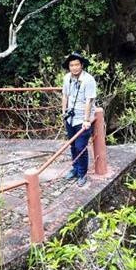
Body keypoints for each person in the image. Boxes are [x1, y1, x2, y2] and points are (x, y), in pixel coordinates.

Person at [61, 52, 96, 187]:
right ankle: (75, 168)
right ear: (68, 67)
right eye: (71, 65)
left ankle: (82, 173)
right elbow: (65, 95)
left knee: (80, 146)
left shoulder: (88, 80)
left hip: (82, 118)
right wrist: (64, 112)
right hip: (70, 117)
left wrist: (87, 120)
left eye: (77, 65)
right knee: (72, 145)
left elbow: (89, 101)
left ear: (81, 66)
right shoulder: (67, 78)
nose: (74, 67)